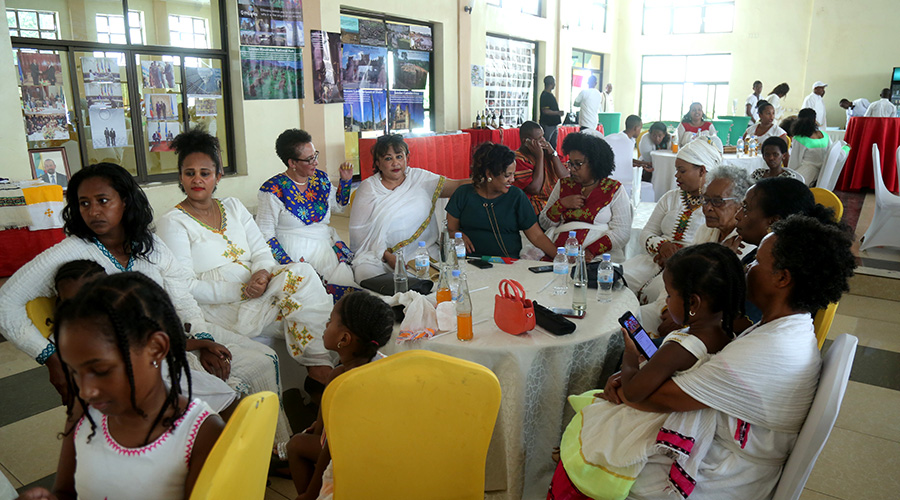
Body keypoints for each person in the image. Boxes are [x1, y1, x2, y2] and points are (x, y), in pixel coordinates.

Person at [0, 162, 293, 443]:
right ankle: (223, 461)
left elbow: (181, 296)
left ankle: (273, 451)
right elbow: (5, 304)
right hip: (136, 360)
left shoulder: (147, 245)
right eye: (84, 203)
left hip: (177, 338)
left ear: (125, 201)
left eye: (103, 200)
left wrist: (201, 338)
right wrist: (52, 359)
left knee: (262, 362)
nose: (93, 211)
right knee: (219, 395)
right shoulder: (70, 251)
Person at [601, 214, 855, 500]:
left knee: (598, 451)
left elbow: (655, 397)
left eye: (757, 261)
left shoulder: (770, 350)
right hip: (733, 453)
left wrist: (630, 376)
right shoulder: (786, 327)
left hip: (723, 478)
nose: (747, 268)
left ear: (782, 278)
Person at [549, 243, 745, 500]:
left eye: (670, 295)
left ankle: (575, 465)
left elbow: (634, 391)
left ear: (693, 302)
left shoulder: (679, 346)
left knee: (590, 418)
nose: (666, 301)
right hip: (672, 407)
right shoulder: (725, 333)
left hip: (648, 419)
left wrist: (630, 358)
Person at [16, 272, 225, 500]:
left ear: (155, 348)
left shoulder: (201, 432)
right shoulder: (84, 409)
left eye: (101, 371)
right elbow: (66, 492)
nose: (85, 391)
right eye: (74, 372)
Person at [156, 129, 335, 391]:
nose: (197, 180)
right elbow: (185, 287)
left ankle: (319, 370)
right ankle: (321, 372)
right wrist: (242, 289)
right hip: (222, 307)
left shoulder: (233, 206)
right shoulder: (172, 222)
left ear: (218, 176)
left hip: (259, 291)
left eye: (205, 173)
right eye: (189, 173)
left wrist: (261, 274)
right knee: (306, 298)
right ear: (180, 177)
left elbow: (261, 250)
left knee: (305, 272)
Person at [54, 260, 239, 417]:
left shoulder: (125, 319)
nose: (83, 308)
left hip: (160, 376)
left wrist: (203, 343)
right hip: (129, 395)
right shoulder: (71, 341)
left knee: (220, 396)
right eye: (71, 302)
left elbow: (165, 342)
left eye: (91, 298)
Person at [288, 291, 394, 500]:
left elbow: (330, 448)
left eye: (329, 321)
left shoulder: (342, 381)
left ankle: (312, 494)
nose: (326, 326)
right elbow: (321, 428)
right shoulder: (384, 364)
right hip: (386, 450)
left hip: (359, 454)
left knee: (296, 445)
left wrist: (309, 494)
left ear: (344, 339)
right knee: (309, 437)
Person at [642, 165, 752, 337]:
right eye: (705, 200)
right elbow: (679, 276)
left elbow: (722, 304)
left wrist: (684, 320)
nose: (707, 208)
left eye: (717, 201)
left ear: (740, 204)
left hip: (705, 326)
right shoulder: (705, 231)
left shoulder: (747, 246)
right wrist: (667, 309)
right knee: (633, 321)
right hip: (676, 309)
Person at [348, 134, 469, 283]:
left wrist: (484, 180)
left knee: (435, 275)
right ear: (378, 163)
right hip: (380, 258)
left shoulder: (419, 178)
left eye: (399, 157)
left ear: (407, 159)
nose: (395, 163)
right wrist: (386, 255)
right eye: (388, 158)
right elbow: (358, 235)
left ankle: (412, 287)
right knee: (364, 273)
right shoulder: (368, 188)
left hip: (421, 253)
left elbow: (456, 186)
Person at [256, 129, 356, 286]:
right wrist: (289, 266)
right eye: (309, 159)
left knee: (345, 287)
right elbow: (265, 234)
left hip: (324, 248)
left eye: (315, 155)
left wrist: (345, 182)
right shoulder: (273, 189)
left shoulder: (321, 179)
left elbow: (339, 207)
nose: (315, 162)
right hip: (292, 253)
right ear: (292, 163)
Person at [623, 139, 716, 298]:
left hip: (689, 268)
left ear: (702, 171)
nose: (676, 175)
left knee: (662, 295)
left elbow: (714, 248)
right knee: (619, 278)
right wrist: (662, 245)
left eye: (682, 171)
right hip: (655, 260)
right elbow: (647, 232)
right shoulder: (671, 198)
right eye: (676, 170)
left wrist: (679, 257)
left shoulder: (715, 206)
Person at [734, 177, 835, 323]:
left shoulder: (773, 275)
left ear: (774, 222)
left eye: (745, 209)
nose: (737, 216)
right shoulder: (761, 256)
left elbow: (733, 327)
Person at [447, 143, 557, 259]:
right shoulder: (463, 194)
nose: (512, 180)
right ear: (489, 174)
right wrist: (457, 236)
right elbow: (450, 229)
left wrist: (560, 257)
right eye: (507, 175)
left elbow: (537, 236)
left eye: (513, 174)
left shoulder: (516, 197)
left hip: (507, 264)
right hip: (470, 262)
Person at [534, 132, 632, 262]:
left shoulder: (614, 189)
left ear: (595, 163)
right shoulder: (563, 184)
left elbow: (622, 232)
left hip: (599, 256)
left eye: (578, 164)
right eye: (570, 163)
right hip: (558, 253)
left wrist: (591, 251)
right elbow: (545, 223)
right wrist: (561, 205)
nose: (572, 169)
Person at [513, 120, 569, 214]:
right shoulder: (518, 159)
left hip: (556, 201)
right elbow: (535, 189)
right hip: (536, 205)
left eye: (543, 136)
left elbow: (565, 178)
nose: (543, 140)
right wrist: (540, 157)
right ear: (526, 141)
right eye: (539, 138)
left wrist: (553, 154)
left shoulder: (548, 153)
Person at [603, 114, 646, 197]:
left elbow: (626, 160)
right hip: (618, 179)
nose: (640, 131)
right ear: (636, 128)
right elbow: (625, 163)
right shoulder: (626, 142)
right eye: (640, 128)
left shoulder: (621, 137)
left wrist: (642, 163)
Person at [788, 108, 831, 185]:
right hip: (823, 172)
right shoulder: (825, 136)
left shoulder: (799, 138)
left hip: (807, 173)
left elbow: (794, 161)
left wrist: (789, 174)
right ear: (815, 120)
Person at [539, 75, 565, 148]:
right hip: (548, 124)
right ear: (551, 83)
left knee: (553, 145)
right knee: (546, 143)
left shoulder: (549, 95)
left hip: (553, 124)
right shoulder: (546, 96)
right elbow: (545, 111)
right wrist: (558, 113)